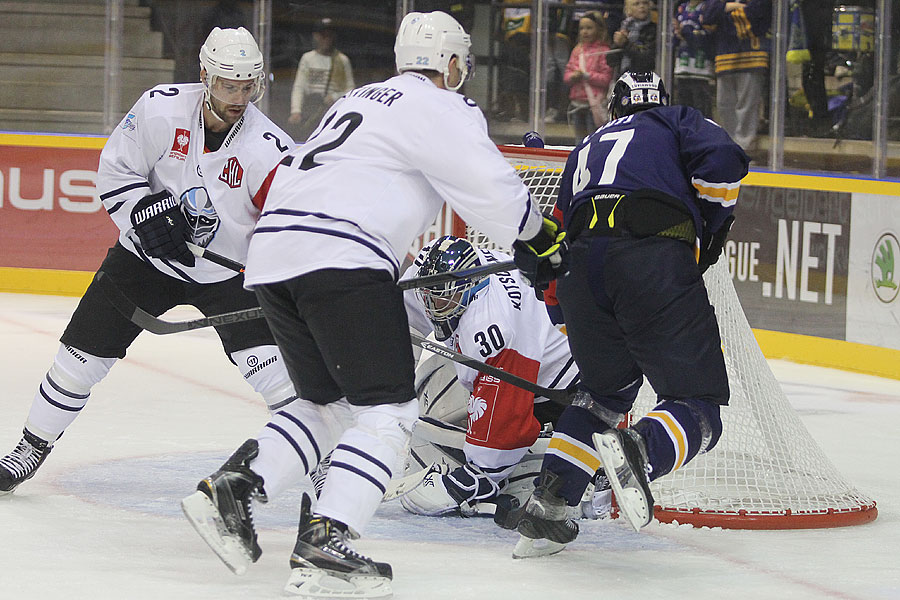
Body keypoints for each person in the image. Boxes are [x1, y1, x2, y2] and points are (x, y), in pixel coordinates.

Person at [179, 11, 566, 599]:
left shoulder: (357, 99)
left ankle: (234, 488)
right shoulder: (443, 106)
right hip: (343, 257)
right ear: (454, 63)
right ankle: (326, 541)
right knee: (387, 413)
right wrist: (537, 237)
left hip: (276, 255)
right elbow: (486, 183)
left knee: (325, 404)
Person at [0, 27, 297, 496]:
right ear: (204, 76)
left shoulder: (271, 150)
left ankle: (321, 469)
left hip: (227, 274)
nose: (239, 97)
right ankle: (30, 447)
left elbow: (286, 228)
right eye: (227, 85)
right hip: (143, 261)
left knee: (278, 377)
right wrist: (143, 214)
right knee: (79, 359)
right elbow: (118, 169)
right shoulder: (161, 108)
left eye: (247, 86)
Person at [503, 72, 750, 558]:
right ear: (658, 103)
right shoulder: (674, 121)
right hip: (650, 259)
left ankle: (549, 506)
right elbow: (724, 160)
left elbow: (552, 239)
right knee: (698, 403)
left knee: (601, 395)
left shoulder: (586, 147)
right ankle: (640, 450)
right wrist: (711, 227)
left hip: (581, 275)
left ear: (614, 108)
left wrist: (563, 307)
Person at [398, 236, 579, 516]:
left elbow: (507, 410)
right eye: (431, 298)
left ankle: (565, 467)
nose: (435, 306)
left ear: (472, 288)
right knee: (430, 384)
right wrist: (387, 402)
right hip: (532, 346)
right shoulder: (434, 276)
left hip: (564, 381)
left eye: (444, 300)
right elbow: (401, 325)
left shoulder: (493, 329)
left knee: (491, 461)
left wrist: (476, 478)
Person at [703, 0, 772, 151]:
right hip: (724, 58)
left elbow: (756, 18)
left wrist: (724, 13)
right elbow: (707, 18)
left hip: (753, 57)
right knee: (724, 104)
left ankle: (744, 146)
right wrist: (733, 7)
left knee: (747, 104)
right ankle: (730, 143)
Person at [288, 18, 355, 142]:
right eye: (323, 35)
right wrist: (296, 110)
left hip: (332, 111)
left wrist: (335, 96)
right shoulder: (308, 58)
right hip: (311, 110)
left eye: (329, 35)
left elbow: (351, 90)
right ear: (316, 36)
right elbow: (299, 86)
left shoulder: (342, 60)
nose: (326, 39)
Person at [564, 11, 615, 141]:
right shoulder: (577, 50)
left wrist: (586, 75)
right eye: (582, 28)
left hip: (594, 106)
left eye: (589, 28)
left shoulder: (604, 51)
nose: (585, 32)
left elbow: (605, 79)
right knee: (579, 140)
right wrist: (573, 76)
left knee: (593, 140)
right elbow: (567, 75)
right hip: (577, 104)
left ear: (599, 29)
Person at [673, 0, 715, 118]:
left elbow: (706, 39)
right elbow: (674, 40)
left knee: (701, 107)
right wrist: (676, 33)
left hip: (701, 70)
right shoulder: (681, 8)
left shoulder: (707, 8)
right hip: (682, 68)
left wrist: (686, 32)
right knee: (683, 107)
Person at [610, 0, 657, 76]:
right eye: (636, 4)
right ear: (628, 9)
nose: (642, 6)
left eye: (645, 3)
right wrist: (617, 44)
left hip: (644, 78)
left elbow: (646, 59)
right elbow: (611, 61)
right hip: (623, 76)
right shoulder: (624, 27)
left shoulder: (653, 29)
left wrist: (625, 43)